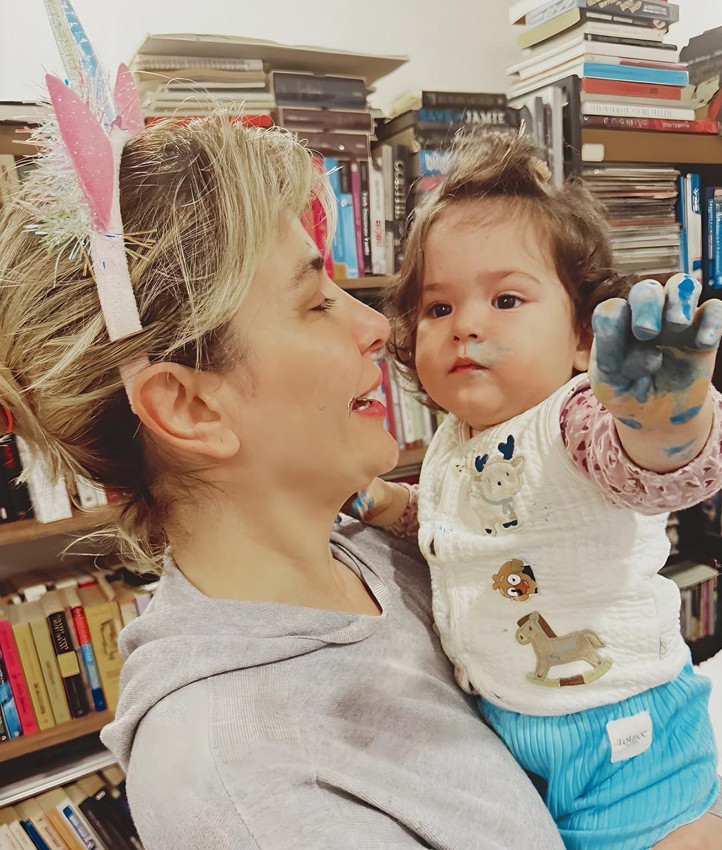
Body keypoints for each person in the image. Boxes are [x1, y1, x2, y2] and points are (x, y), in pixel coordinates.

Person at [0, 113, 581, 848]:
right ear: (190, 407)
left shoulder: (380, 547)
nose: (379, 327)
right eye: (315, 303)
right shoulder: (245, 785)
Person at [352, 133, 722, 849]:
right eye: (438, 308)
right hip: (512, 719)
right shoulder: (453, 439)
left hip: (620, 726)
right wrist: (390, 505)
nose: (466, 325)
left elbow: (652, 471)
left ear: (582, 339)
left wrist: (665, 420)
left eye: (506, 298)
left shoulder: (578, 419)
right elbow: (463, 529)